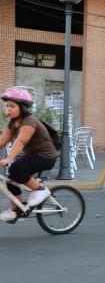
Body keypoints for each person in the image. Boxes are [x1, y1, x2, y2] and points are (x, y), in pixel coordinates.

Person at [0, 87, 57, 222]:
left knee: (15, 168)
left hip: (46, 156)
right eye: (7, 106)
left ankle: (40, 190)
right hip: (34, 155)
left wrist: (8, 158)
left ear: (22, 107)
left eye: (12, 106)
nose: (8, 109)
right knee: (11, 180)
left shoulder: (29, 121)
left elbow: (21, 141)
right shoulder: (13, 122)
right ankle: (16, 211)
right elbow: (2, 140)